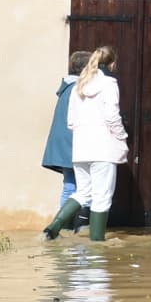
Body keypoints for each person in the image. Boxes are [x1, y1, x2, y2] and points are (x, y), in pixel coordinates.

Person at [45, 46, 128, 242]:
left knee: (82, 192)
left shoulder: (79, 85)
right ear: (112, 64)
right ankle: (97, 242)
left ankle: (52, 228)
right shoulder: (109, 84)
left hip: (81, 148)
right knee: (102, 196)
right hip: (103, 148)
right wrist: (121, 135)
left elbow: (71, 121)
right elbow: (112, 116)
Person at [40, 50, 90, 237]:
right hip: (74, 142)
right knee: (87, 186)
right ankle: (81, 226)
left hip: (64, 143)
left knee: (70, 185)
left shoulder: (67, 87)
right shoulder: (80, 89)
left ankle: (65, 227)